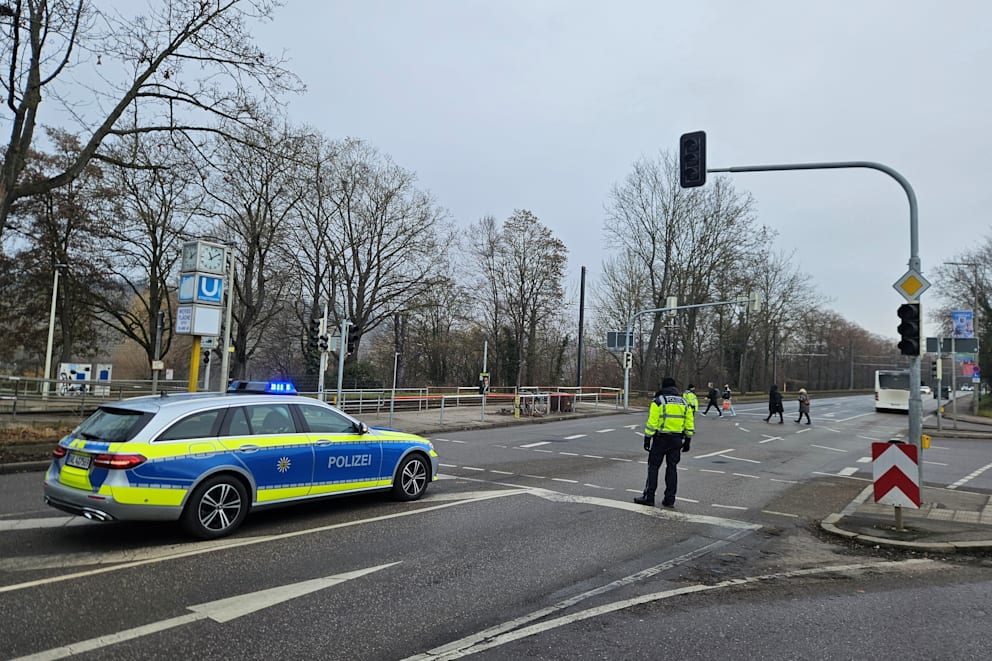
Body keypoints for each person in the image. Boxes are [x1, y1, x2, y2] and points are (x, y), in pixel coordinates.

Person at [634, 377, 694, 508]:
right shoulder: (684, 402)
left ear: (663, 387)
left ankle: (649, 497)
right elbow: (689, 423)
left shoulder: (658, 401)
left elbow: (652, 422)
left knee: (653, 467)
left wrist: (647, 438)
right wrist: (688, 439)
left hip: (661, 439)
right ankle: (670, 499)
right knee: (672, 468)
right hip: (677, 440)